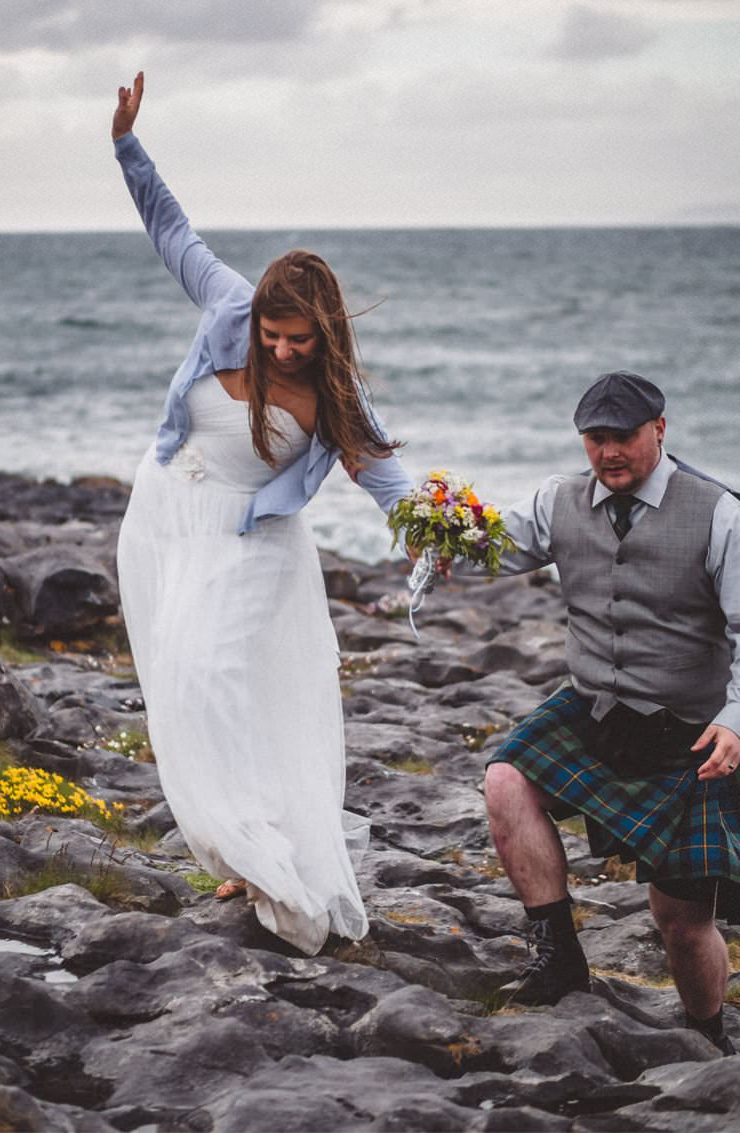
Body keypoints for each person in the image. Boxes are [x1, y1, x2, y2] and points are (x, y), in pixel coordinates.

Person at [109, 73, 415, 955]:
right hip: (165, 515)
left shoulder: (336, 394)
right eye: (272, 335)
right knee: (179, 679)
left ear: (323, 334)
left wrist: (442, 528)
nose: (279, 349)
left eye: (297, 341)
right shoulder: (226, 302)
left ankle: (266, 840)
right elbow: (172, 227)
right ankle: (233, 847)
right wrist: (127, 143)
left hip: (252, 542)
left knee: (214, 675)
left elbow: (382, 475)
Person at [474, 370, 739, 1054]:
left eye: (623, 437)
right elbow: (483, 551)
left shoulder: (719, 513)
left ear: (660, 430)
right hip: (595, 712)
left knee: (681, 923)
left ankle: (709, 1035)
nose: (609, 452)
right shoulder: (557, 500)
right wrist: (418, 513)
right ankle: (558, 955)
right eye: (595, 439)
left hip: (690, 734)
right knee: (505, 780)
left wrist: (736, 719)